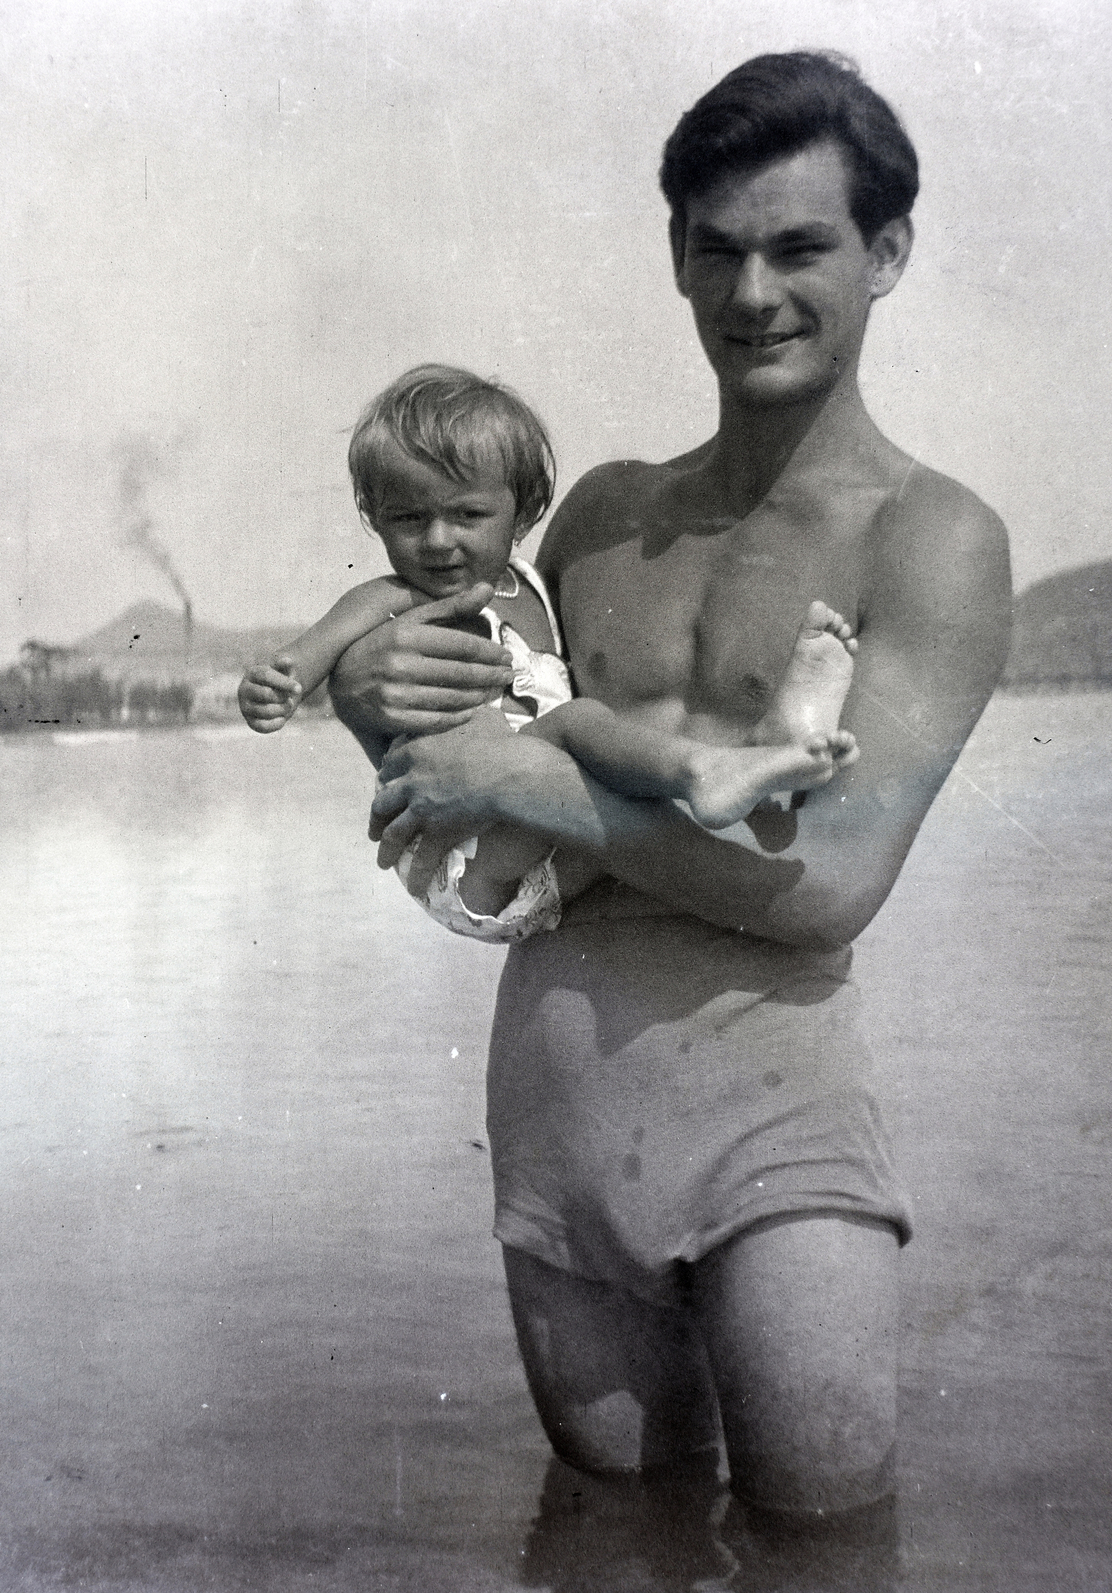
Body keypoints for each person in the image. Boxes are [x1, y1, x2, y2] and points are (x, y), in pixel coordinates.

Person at [332, 52, 1012, 1527]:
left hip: (775, 1121)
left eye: (801, 246)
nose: (754, 289)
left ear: (888, 253)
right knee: (615, 1535)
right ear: (678, 259)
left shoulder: (933, 537)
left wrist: (531, 778)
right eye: (721, 248)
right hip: (558, 1113)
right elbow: (466, 770)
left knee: (827, 1544)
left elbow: (830, 879)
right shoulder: (594, 518)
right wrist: (363, 699)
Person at [240, 365, 862, 940]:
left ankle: (767, 748)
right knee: (580, 724)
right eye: (408, 519)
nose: (438, 541)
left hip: (551, 839)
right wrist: (278, 683)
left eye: (467, 515)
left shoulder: (535, 587)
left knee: (630, 760)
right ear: (374, 518)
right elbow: (309, 654)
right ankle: (708, 768)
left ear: (525, 510)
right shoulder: (389, 596)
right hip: (463, 854)